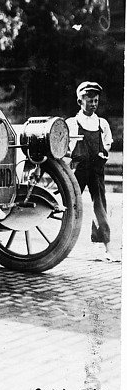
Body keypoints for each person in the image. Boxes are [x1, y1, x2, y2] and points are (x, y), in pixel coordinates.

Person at [66, 81, 119, 262]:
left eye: (96, 101)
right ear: (80, 101)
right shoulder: (72, 123)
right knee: (71, 206)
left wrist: (104, 152)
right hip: (79, 170)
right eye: (90, 101)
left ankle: (105, 248)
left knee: (100, 207)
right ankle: (64, 246)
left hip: (96, 170)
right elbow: (64, 147)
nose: (94, 104)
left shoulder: (102, 123)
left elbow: (108, 143)